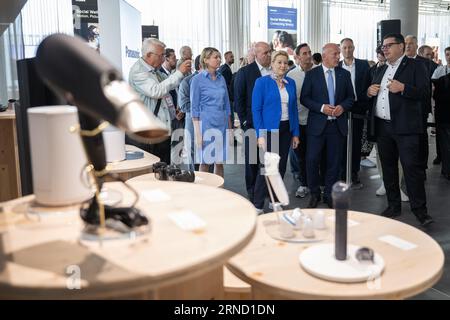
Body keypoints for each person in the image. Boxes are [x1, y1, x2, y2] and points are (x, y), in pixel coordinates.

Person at [367, 33, 433, 227]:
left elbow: (424, 93)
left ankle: (421, 212)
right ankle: (393, 206)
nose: (384, 49)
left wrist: (403, 87)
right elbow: (372, 91)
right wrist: (369, 91)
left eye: (389, 45)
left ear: (401, 47)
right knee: (388, 169)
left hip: (406, 129)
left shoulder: (416, 66)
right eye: (383, 46)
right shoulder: (381, 69)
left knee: (412, 170)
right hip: (383, 127)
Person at [301, 43, 354, 209]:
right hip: (317, 126)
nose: (338, 56)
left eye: (338, 54)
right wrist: (322, 108)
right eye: (335, 54)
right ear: (324, 56)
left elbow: (351, 98)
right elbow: (304, 98)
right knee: (311, 160)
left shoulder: (344, 75)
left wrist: (342, 107)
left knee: (334, 163)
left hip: (336, 127)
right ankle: (314, 194)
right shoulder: (311, 75)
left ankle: (329, 195)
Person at [128, 38, 191, 164]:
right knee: (149, 172)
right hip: (146, 133)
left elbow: (168, 86)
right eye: (161, 55)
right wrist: (179, 73)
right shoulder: (138, 71)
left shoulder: (155, 72)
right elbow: (156, 91)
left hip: (160, 131)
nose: (163, 58)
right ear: (149, 55)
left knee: (163, 169)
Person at [252, 50, 300, 213]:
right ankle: (258, 204)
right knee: (266, 167)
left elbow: (293, 109)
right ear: (272, 64)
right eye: (279, 62)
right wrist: (260, 135)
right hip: (269, 130)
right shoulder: (262, 82)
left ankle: (275, 201)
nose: (282, 65)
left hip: (287, 129)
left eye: (285, 62)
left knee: (280, 167)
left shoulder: (291, 83)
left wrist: (296, 133)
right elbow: (256, 110)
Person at [234, 42, 272, 203]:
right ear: (256, 54)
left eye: (270, 52)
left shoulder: (274, 72)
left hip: (271, 125)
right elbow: (238, 100)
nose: (269, 55)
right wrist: (243, 122)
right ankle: (252, 194)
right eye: (265, 53)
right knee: (253, 162)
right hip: (251, 125)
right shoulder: (244, 72)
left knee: (268, 161)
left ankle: (265, 192)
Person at [191, 47, 232, 178]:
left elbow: (227, 105)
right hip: (206, 125)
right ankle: (204, 193)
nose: (219, 59)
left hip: (222, 124)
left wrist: (230, 130)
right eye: (216, 57)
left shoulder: (221, 78)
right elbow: (194, 109)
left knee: (219, 162)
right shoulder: (197, 80)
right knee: (205, 162)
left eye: (219, 57)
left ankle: (219, 190)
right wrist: (198, 134)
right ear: (206, 60)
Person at [338, 38, 371, 189]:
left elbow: (369, 85)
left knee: (355, 142)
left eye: (350, 47)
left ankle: (354, 173)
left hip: (358, 108)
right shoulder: (337, 66)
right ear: (340, 49)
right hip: (341, 108)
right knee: (341, 141)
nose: (347, 50)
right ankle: (341, 173)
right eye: (344, 48)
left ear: (354, 48)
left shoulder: (363, 65)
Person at [287, 43, 315, 198]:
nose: (308, 55)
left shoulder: (318, 72)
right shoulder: (291, 76)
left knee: (315, 155)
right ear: (297, 57)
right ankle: (304, 184)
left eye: (309, 52)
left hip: (315, 121)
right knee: (301, 156)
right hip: (297, 123)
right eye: (304, 53)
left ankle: (316, 184)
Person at [178, 55, 201, 170]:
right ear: (201, 65)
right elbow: (183, 106)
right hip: (192, 124)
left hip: (211, 123)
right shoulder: (187, 82)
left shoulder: (216, 80)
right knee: (192, 154)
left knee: (210, 155)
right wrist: (206, 109)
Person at [432, 46, 450, 180]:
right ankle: (446, 169)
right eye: (448, 54)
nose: (449, 57)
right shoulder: (439, 71)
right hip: (443, 112)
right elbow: (433, 92)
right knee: (444, 142)